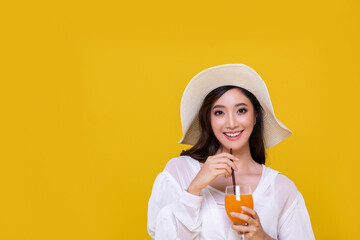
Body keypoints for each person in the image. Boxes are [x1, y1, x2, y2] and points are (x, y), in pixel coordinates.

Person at [147, 64, 315, 240]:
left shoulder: (281, 189)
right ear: (209, 119)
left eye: (241, 110)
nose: (232, 123)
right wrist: (194, 188)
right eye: (219, 112)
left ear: (256, 116)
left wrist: (263, 238)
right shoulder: (180, 172)